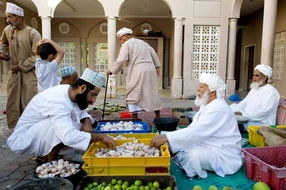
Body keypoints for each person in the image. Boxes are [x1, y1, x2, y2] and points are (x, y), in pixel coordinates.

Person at [7, 68, 115, 162]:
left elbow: (80, 111)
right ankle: (51, 164)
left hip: (39, 131)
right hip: (25, 138)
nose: (94, 100)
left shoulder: (70, 91)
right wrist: (101, 137)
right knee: (61, 127)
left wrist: (86, 120)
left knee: (78, 122)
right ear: (82, 88)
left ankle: (58, 154)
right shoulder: (57, 101)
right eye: (93, 95)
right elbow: (68, 136)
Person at [151, 73, 243, 179]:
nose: (197, 89)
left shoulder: (218, 107)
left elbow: (196, 133)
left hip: (223, 154)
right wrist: (168, 137)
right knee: (170, 139)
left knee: (191, 156)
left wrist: (168, 138)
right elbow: (194, 129)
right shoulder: (207, 104)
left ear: (212, 91)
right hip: (206, 143)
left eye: (201, 87)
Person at [0, 2, 41, 129]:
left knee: (28, 101)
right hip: (14, 74)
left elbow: (37, 56)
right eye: (7, 17)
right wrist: (3, 53)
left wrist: (21, 65)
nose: (7, 20)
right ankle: (15, 130)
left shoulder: (33, 33)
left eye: (10, 17)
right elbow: (3, 43)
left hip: (29, 74)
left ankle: (30, 129)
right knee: (13, 102)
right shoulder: (7, 30)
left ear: (19, 17)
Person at [106, 27, 161, 120]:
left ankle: (135, 118)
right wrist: (157, 66)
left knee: (133, 92)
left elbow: (121, 59)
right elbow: (153, 52)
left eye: (121, 39)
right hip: (150, 69)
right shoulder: (143, 42)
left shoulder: (127, 44)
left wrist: (111, 70)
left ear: (125, 36)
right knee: (152, 92)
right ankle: (158, 116)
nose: (121, 41)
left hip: (138, 70)